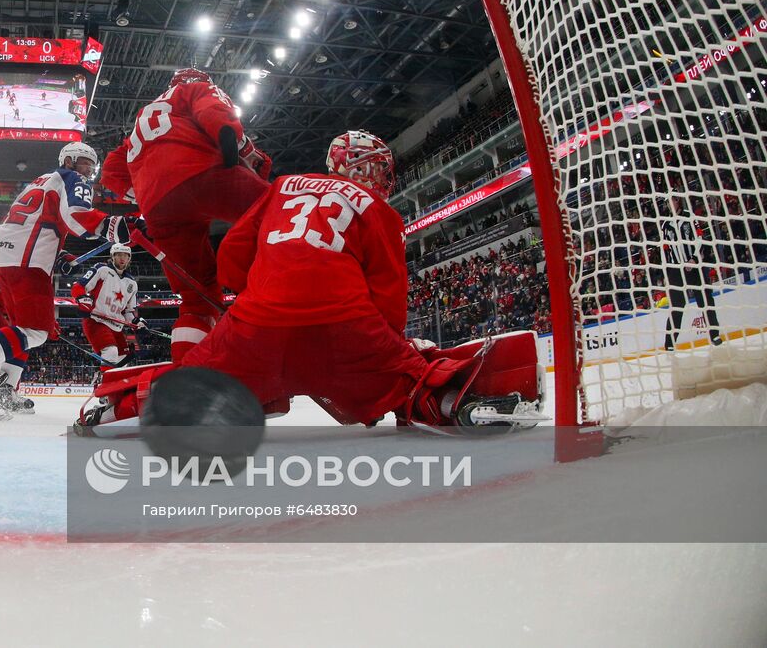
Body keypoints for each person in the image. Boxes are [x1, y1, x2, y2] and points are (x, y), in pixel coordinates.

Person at [79, 130, 543, 431]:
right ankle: (458, 403)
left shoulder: (282, 187)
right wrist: (390, 347)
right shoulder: (377, 207)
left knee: (193, 385)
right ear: (369, 170)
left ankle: (111, 409)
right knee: (409, 380)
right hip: (346, 328)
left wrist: (251, 295)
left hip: (256, 328)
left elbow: (233, 258)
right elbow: (388, 290)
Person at [0, 141, 131, 420]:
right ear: (69, 162)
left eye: (91, 164)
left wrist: (59, 254)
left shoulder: (42, 180)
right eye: (84, 162)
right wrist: (117, 227)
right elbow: (76, 217)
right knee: (35, 331)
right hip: (27, 261)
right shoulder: (71, 179)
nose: (89, 169)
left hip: (8, 256)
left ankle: (3, 390)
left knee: (22, 331)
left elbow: (39, 221)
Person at [101, 67, 271, 361]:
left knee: (197, 299)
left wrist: (142, 194)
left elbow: (110, 171)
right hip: (203, 175)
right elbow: (214, 111)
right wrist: (229, 144)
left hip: (158, 209)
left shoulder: (143, 119)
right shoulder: (195, 89)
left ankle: (185, 375)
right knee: (281, 209)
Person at [658, 197, 724, 350]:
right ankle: (669, 344)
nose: (670, 204)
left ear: (678, 202)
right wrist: (666, 270)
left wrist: (694, 258)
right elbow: (665, 249)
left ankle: (714, 334)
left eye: (673, 201)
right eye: (668, 202)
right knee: (677, 306)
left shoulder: (690, 217)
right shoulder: (665, 225)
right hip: (675, 269)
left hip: (694, 266)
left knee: (706, 300)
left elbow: (700, 238)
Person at [72, 243, 140, 367]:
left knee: (123, 359)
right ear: (112, 256)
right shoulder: (102, 269)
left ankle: (116, 385)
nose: (122, 258)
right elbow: (79, 286)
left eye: (126, 255)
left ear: (129, 258)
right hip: (96, 321)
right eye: (119, 254)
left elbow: (129, 312)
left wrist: (138, 323)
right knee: (110, 351)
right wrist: (83, 301)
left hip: (116, 326)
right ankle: (106, 385)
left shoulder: (132, 283)